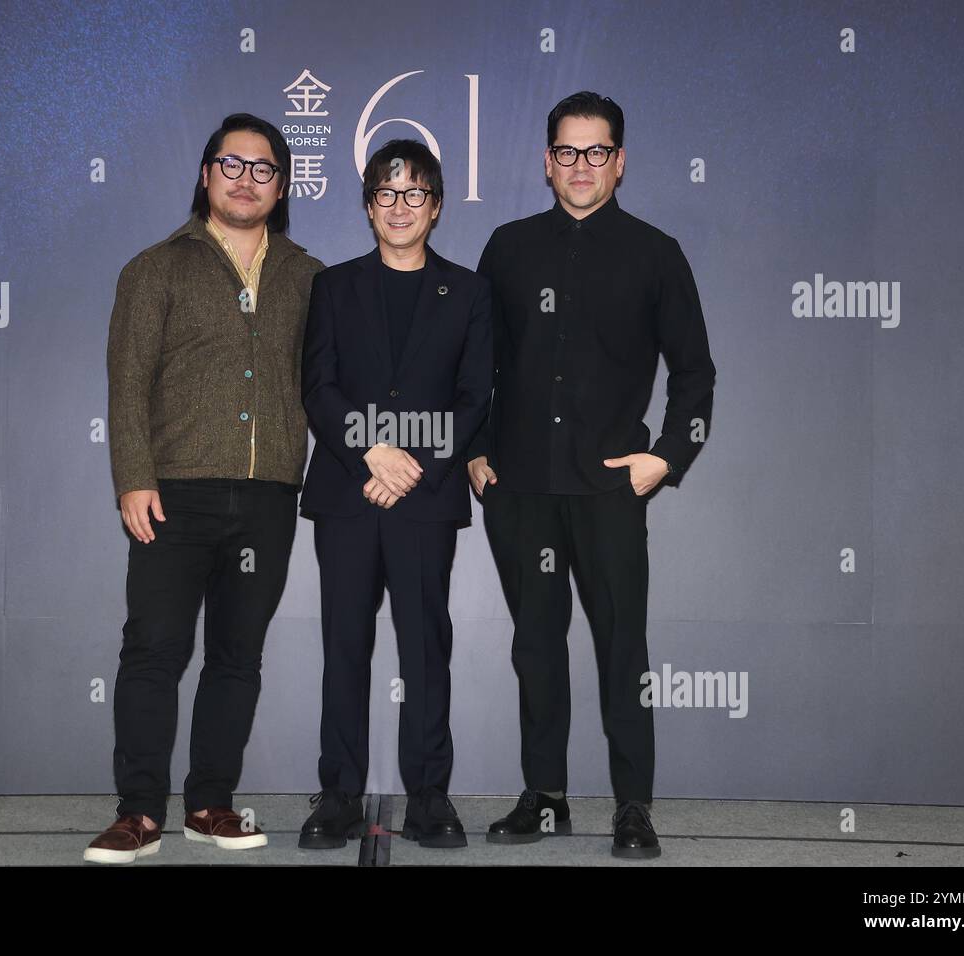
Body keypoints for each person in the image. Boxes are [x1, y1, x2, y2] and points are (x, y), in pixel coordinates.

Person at [468, 92, 716, 858]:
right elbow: (478, 364)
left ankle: (633, 806)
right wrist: (476, 453)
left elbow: (696, 372)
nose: (582, 166)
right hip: (521, 490)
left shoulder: (655, 252)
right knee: (536, 646)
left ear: (620, 160)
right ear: (547, 163)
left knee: (622, 649)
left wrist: (666, 457)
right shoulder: (507, 248)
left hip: (610, 489)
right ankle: (544, 799)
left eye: (597, 151)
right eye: (568, 153)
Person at [85, 113, 324, 863]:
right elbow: (128, 385)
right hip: (173, 495)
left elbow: (329, 383)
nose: (246, 178)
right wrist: (133, 477)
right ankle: (140, 813)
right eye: (232, 163)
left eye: (262, 168)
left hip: (268, 497)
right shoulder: (154, 268)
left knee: (237, 657)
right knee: (153, 651)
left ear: (281, 186)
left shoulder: (309, 277)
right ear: (205, 173)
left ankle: (212, 803)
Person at [297, 139, 492, 849]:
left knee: (424, 649)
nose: (401, 206)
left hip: (425, 497)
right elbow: (318, 387)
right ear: (367, 207)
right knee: (345, 646)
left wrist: (415, 464)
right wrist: (372, 452)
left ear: (436, 207)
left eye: (415, 194)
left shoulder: (469, 291)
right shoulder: (333, 287)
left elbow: (475, 396)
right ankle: (339, 796)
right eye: (387, 193)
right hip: (349, 494)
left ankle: (429, 798)